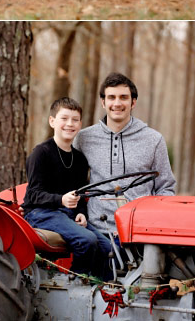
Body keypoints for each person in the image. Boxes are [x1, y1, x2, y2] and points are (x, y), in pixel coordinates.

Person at [74, 72, 176, 236]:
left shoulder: (153, 139)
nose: (117, 103)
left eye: (123, 97)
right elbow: (71, 183)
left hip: (140, 230)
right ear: (103, 102)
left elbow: (166, 187)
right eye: (111, 97)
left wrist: (152, 219)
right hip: (94, 228)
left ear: (133, 102)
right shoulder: (84, 138)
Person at [22, 97, 113, 280]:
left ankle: (102, 288)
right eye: (64, 118)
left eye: (75, 120)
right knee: (86, 240)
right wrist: (60, 199)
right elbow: (32, 195)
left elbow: (79, 193)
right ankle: (77, 281)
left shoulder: (79, 159)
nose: (69, 124)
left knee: (109, 248)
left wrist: (80, 212)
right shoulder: (41, 153)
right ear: (52, 121)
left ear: (80, 124)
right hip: (41, 214)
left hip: (67, 214)